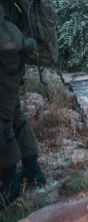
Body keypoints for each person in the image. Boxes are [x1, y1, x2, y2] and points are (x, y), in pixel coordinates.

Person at [0, 2, 46, 210]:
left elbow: (6, 35)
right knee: (15, 116)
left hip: (5, 67)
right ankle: (32, 171)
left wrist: (27, 44)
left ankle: (10, 184)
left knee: (3, 125)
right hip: (8, 64)